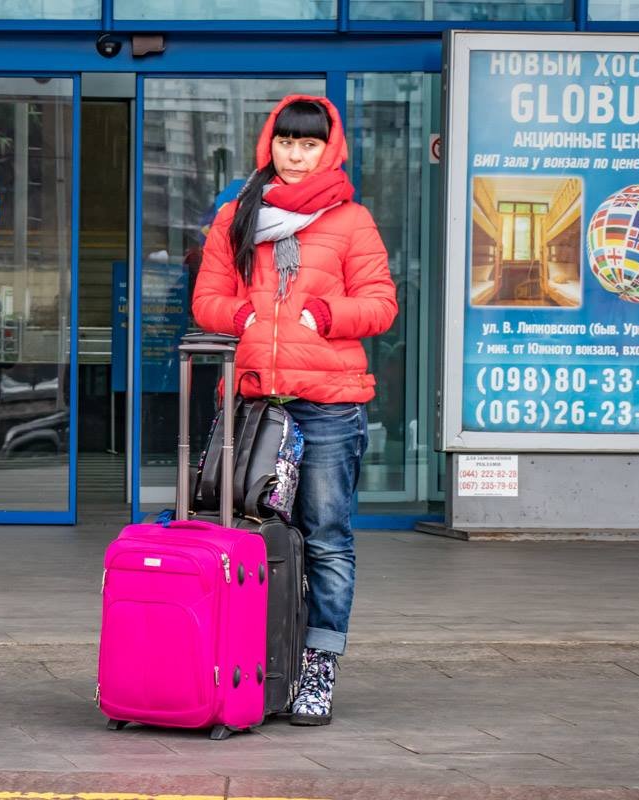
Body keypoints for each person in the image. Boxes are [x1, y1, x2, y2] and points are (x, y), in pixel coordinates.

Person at [191, 95, 398, 726]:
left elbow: (382, 303)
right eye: (286, 141)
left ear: (328, 148)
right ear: (269, 144)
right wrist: (245, 315)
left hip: (329, 407)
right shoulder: (239, 213)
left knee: (327, 541)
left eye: (309, 143)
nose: (296, 153)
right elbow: (207, 300)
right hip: (255, 404)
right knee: (245, 538)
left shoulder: (352, 221)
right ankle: (257, 663)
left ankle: (317, 670)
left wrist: (329, 315)